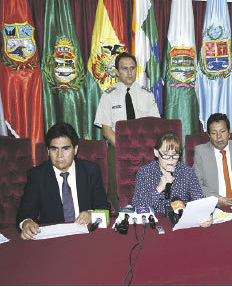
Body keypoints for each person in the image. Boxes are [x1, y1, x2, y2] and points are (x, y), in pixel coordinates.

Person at [16, 123, 109, 240]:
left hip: (86, 236)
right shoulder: (36, 175)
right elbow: (26, 211)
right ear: (48, 151)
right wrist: (27, 223)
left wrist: (92, 214)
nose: (60, 155)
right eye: (54, 149)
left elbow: (105, 208)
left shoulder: (91, 170)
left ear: (75, 149)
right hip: (53, 240)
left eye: (65, 148)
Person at [94, 52, 160, 214]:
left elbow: (155, 126)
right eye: (124, 69)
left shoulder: (147, 94)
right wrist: (125, 149)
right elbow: (106, 130)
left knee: (149, 185)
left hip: (145, 150)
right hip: (117, 149)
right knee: (117, 188)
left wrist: (142, 149)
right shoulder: (108, 96)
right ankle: (119, 216)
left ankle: (149, 212)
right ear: (117, 71)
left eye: (132, 68)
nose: (129, 72)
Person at [132, 132, 212, 227]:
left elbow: (199, 198)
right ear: (156, 153)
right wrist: (159, 189)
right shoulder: (145, 172)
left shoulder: (187, 172)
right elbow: (138, 206)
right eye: (166, 155)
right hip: (155, 224)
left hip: (181, 222)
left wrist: (205, 215)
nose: (171, 160)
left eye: (175, 155)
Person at [193, 113, 232, 207]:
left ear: (229, 133)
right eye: (214, 133)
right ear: (209, 135)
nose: (219, 136)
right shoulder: (200, 152)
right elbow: (197, 185)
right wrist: (217, 199)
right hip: (214, 206)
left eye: (222, 131)